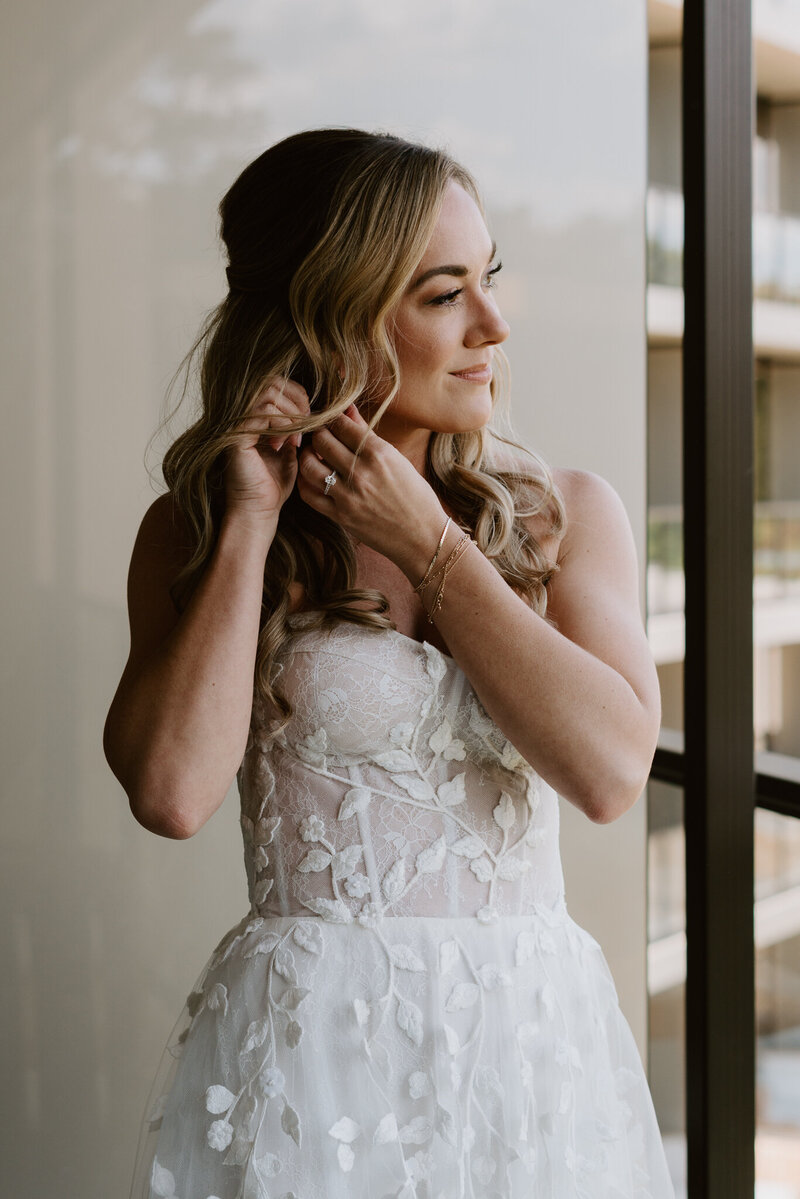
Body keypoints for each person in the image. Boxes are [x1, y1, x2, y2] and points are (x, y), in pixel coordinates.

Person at [105, 128, 675, 1199]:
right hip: (314, 1062)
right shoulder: (199, 527)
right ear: (334, 313)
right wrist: (245, 528)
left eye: (488, 279)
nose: (493, 326)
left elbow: (609, 772)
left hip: (529, 1049)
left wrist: (430, 545)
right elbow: (172, 792)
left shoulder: (564, 514)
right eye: (442, 294)